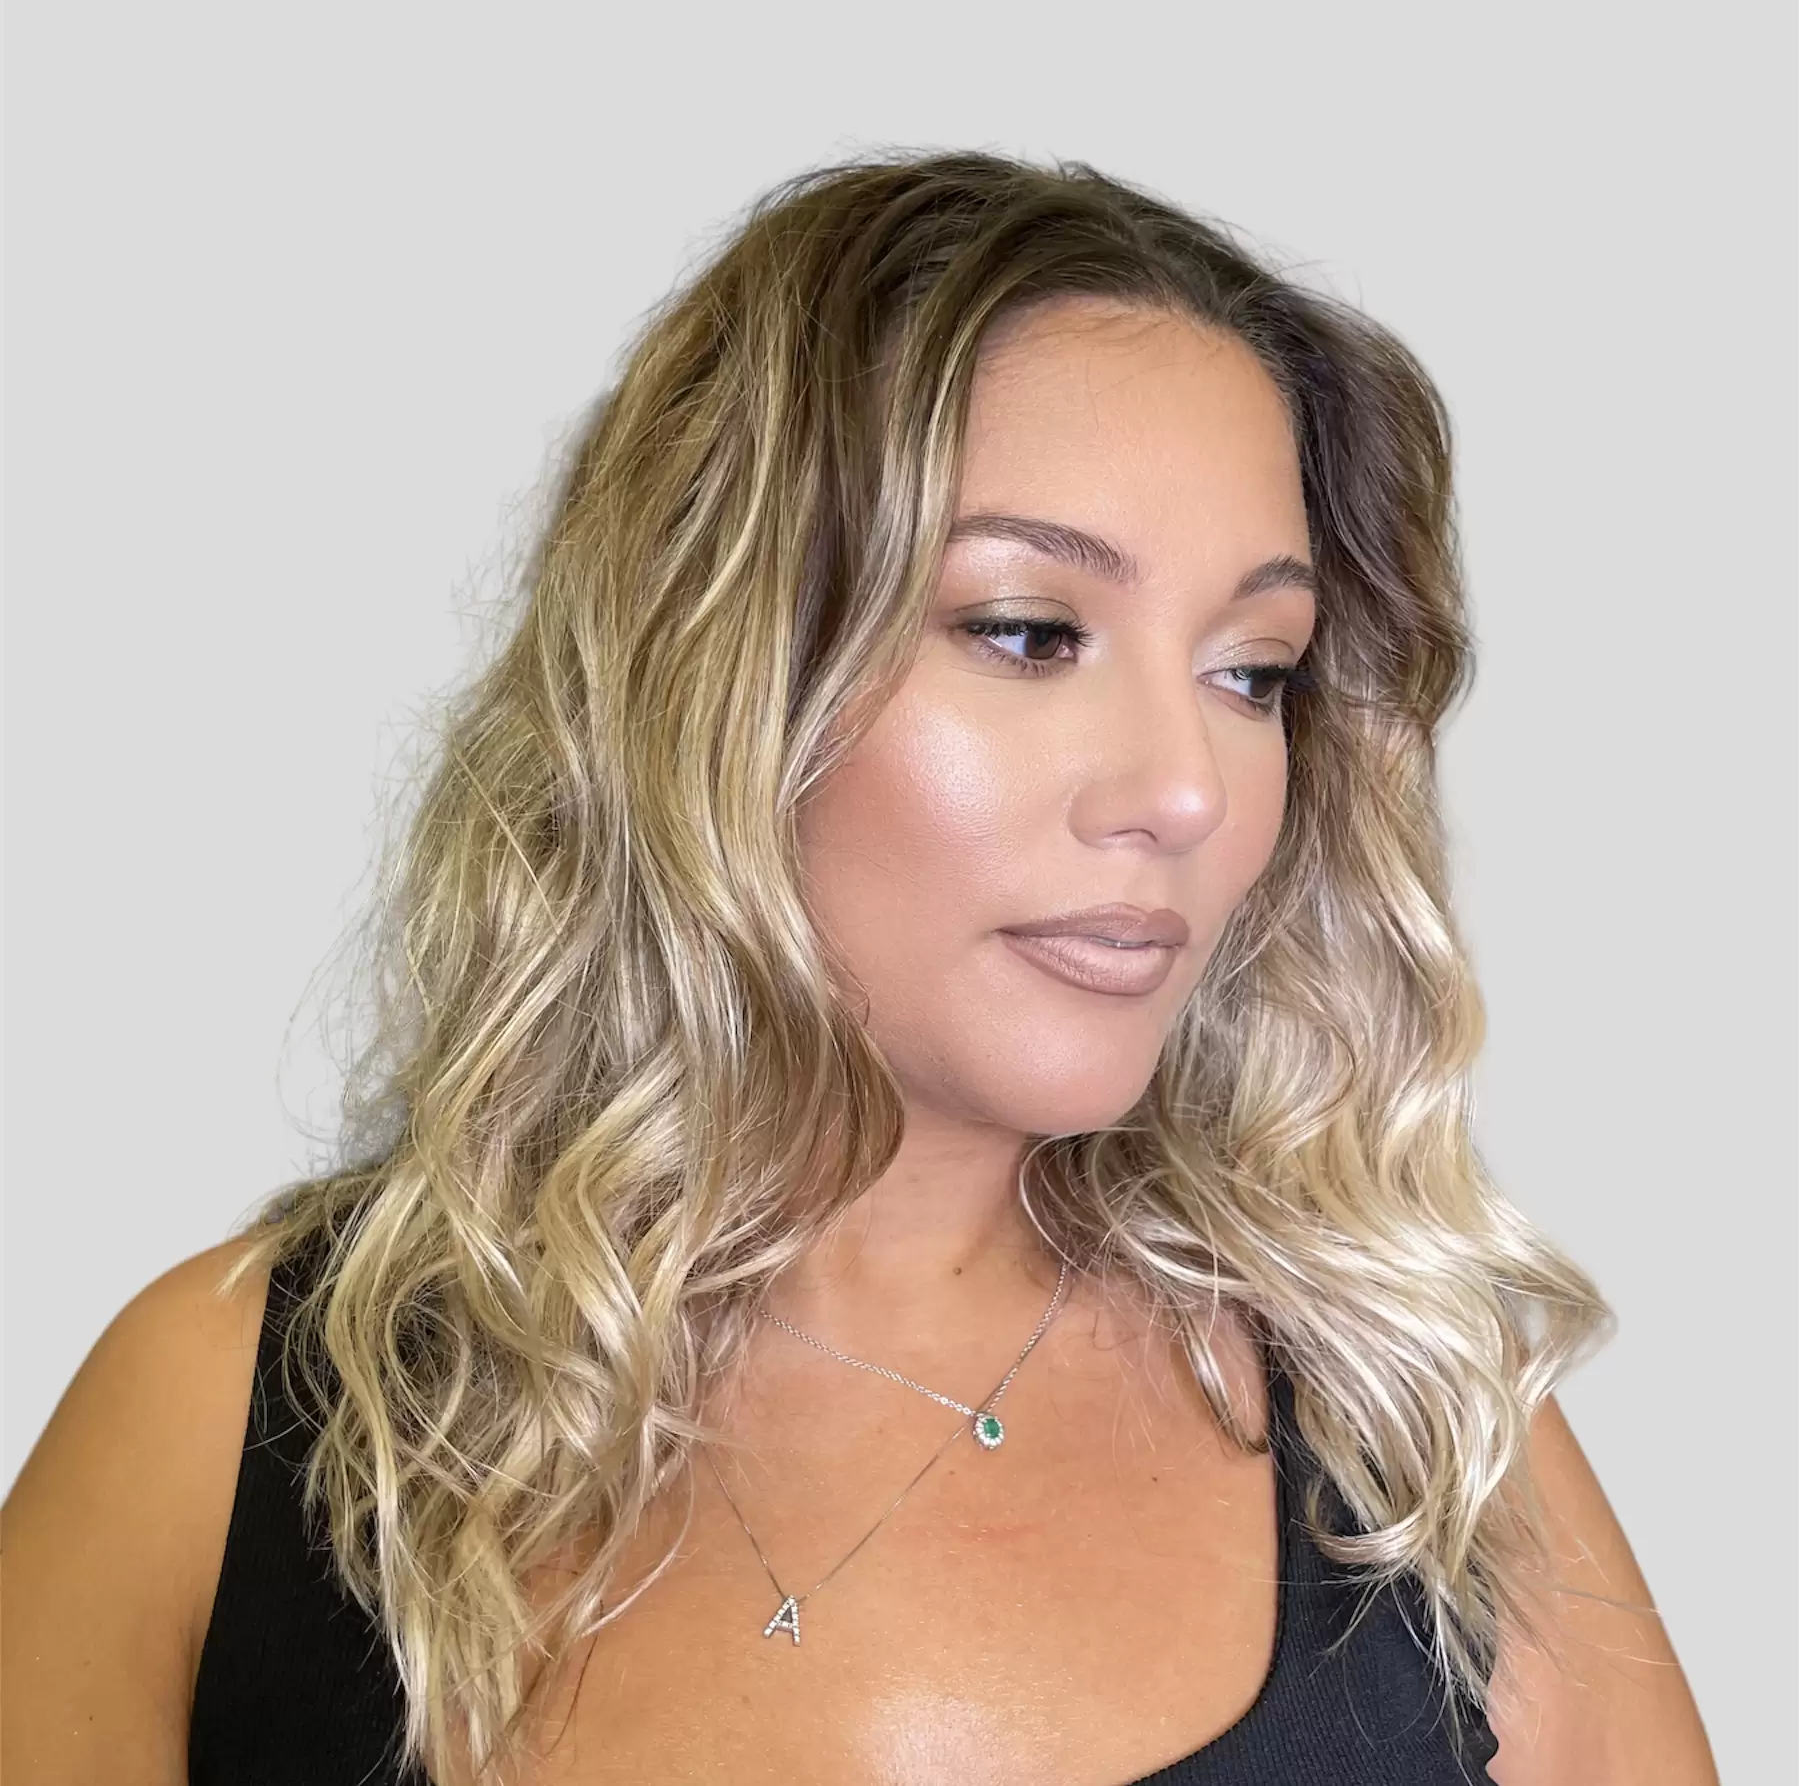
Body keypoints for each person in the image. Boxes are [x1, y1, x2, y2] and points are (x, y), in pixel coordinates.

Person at [4, 153, 1719, 1786]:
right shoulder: (223, 1418)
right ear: (712, 670)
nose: (1187, 789)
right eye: (1028, 631)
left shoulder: (1424, 1440)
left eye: (1253, 670)